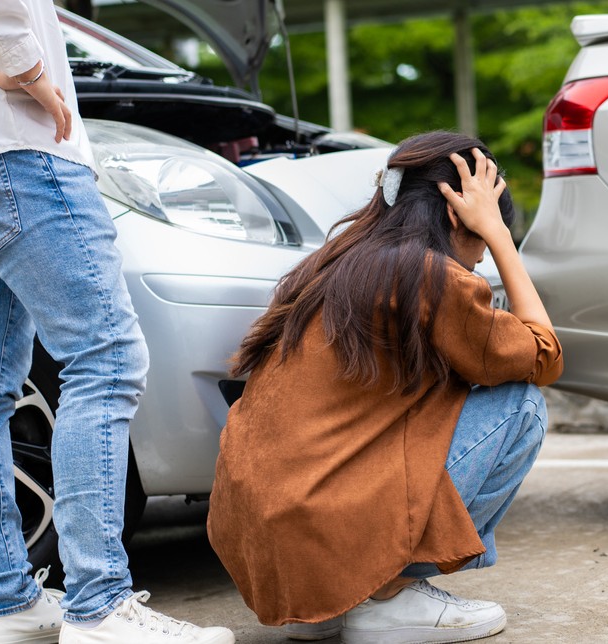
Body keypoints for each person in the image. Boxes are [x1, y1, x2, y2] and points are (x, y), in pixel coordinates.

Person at [0, 1, 234, 642]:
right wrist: (31, 69)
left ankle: (8, 603)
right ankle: (100, 605)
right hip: (12, 141)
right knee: (106, 356)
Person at [206, 131, 563, 644]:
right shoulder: (430, 276)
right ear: (460, 216)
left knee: (429, 404)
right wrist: (504, 238)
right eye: (484, 236)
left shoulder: (333, 262)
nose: (482, 257)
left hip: (258, 539)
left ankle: (332, 605)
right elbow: (544, 356)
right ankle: (390, 597)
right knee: (521, 405)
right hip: (320, 518)